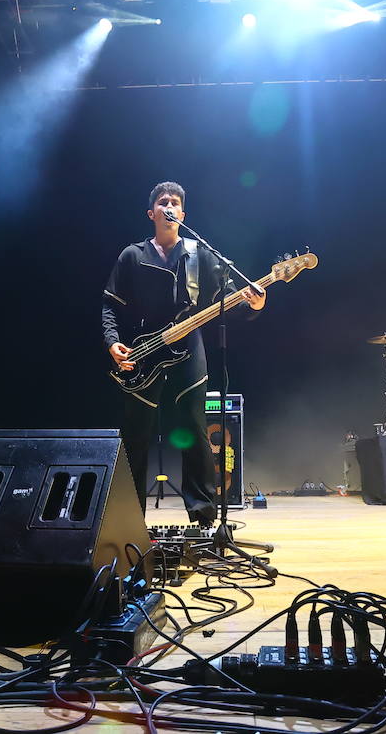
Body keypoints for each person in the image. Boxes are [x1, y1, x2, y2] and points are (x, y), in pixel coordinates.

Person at [102, 182, 264, 526]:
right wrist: (112, 340)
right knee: (137, 435)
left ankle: (204, 520)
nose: (169, 206)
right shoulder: (132, 255)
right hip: (142, 353)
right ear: (152, 213)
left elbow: (228, 298)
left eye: (175, 203)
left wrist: (254, 305)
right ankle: (128, 520)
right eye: (163, 202)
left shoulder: (199, 253)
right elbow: (110, 305)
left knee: (193, 430)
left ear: (183, 215)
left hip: (189, 349)